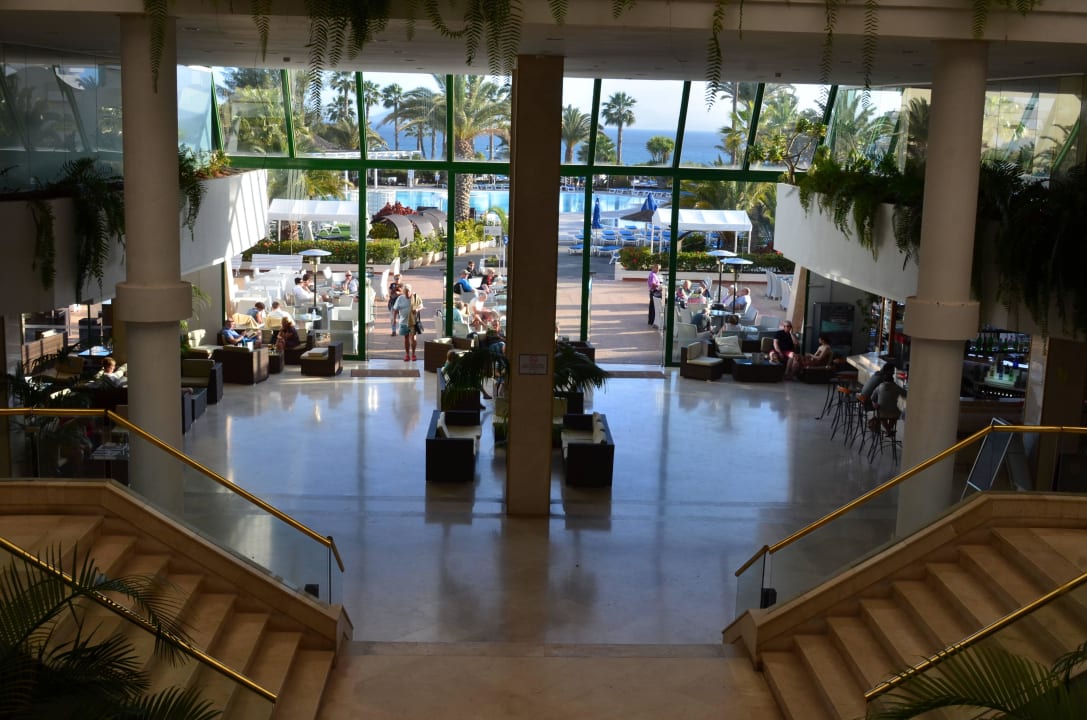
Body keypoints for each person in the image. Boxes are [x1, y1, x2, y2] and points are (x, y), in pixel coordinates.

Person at [393, 283, 423, 361]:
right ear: (403, 292)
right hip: (403, 322)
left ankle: (413, 354)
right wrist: (394, 319)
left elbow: (421, 305)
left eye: (408, 292)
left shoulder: (415, 297)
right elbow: (396, 309)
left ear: (411, 291)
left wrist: (417, 309)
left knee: (413, 338)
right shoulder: (400, 298)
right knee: (406, 338)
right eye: (405, 292)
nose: (407, 294)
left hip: (413, 322)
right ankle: (407, 355)